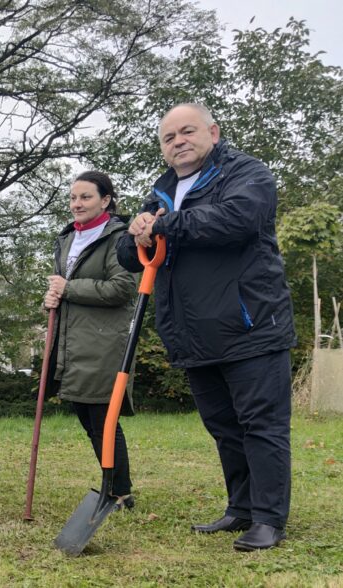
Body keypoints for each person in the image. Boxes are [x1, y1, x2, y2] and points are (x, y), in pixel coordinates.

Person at [117, 103, 297, 551]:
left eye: (187, 131)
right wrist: (137, 231)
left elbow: (237, 219)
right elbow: (125, 254)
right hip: (194, 333)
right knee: (223, 425)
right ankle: (241, 509)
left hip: (250, 325)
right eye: (168, 137)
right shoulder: (161, 191)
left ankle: (270, 519)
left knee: (261, 424)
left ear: (213, 133)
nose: (178, 141)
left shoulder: (246, 173)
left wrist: (165, 225)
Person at [44, 171, 138, 508]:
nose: (77, 204)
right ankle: (114, 486)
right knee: (88, 417)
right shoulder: (68, 239)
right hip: (72, 343)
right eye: (73, 198)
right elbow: (62, 287)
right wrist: (52, 298)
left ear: (106, 200)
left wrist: (68, 289)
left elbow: (123, 287)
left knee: (103, 418)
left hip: (103, 341)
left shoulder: (119, 237)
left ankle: (120, 492)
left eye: (85, 197)